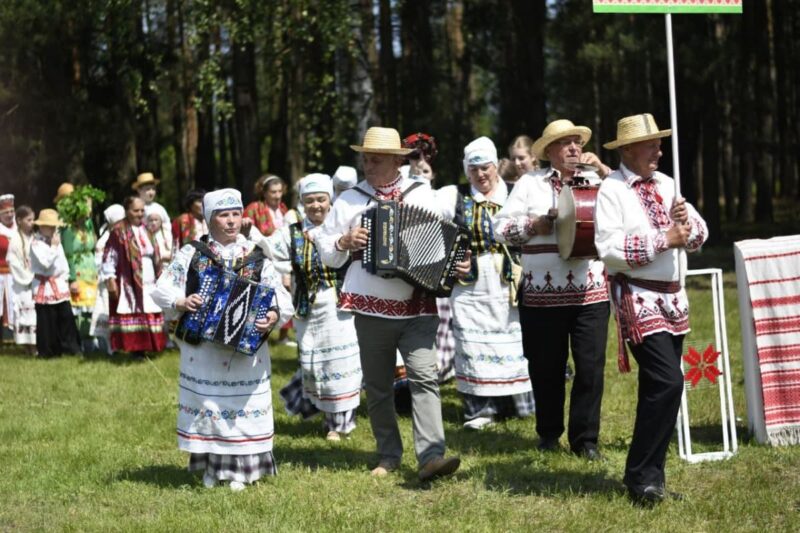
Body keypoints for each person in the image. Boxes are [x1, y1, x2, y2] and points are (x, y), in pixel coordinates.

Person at [317, 126, 463, 481]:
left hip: (417, 304)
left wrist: (458, 263)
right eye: (365, 158)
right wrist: (344, 241)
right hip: (370, 304)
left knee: (425, 376)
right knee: (379, 384)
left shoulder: (421, 194)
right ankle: (388, 455)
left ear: (398, 160)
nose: (368, 164)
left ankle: (431, 456)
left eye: (376, 159)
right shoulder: (350, 199)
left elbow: (443, 245)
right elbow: (324, 249)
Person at [595, 113, 708, 505]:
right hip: (638, 296)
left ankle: (648, 479)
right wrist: (664, 238)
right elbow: (608, 250)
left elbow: (699, 235)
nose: (659, 149)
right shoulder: (611, 189)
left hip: (673, 298)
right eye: (651, 144)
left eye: (660, 143)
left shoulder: (667, 184)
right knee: (668, 382)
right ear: (627, 150)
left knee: (658, 389)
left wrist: (686, 226)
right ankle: (642, 474)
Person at [152, 188, 292, 491]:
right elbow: (161, 288)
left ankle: (244, 471)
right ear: (209, 218)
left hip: (246, 354)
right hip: (203, 350)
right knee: (210, 408)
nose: (231, 221)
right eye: (223, 215)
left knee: (242, 409)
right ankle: (213, 469)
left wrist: (272, 315)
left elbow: (280, 298)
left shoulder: (256, 255)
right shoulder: (193, 253)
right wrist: (181, 301)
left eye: (235, 214)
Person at [493, 119, 611, 460]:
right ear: (550, 151)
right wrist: (536, 224)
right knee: (546, 367)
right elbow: (499, 228)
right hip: (541, 295)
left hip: (590, 291)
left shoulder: (598, 180)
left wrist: (603, 169)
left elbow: (628, 201)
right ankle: (548, 434)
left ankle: (585, 441)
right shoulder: (530, 184)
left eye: (578, 142)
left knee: (589, 368)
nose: (574, 148)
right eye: (566, 143)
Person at [438, 137, 533, 430]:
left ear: (496, 166)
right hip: (471, 285)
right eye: (474, 169)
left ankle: (518, 404)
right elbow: (428, 231)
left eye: (486, 167)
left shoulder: (516, 193)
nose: (481, 174)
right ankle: (480, 410)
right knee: (471, 341)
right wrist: (452, 261)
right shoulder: (454, 197)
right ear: (467, 171)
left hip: (509, 282)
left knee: (514, 339)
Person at [268, 174, 362, 441]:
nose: (316, 205)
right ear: (301, 203)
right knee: (313, 364)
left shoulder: (344, 227)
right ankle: (323, 413)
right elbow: (268, 251)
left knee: (340, 363)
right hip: (307, 307)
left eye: (321, 199)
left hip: (340, 307)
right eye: (310, 201)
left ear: (330, 200)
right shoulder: (293, 232)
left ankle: (341, 424)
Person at [402, 132, 455, 383]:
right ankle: (402, 377)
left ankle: (435, 371)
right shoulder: (400, 183)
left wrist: (422, 177)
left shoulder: (443, 194)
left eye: (425, 160)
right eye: (413, 155)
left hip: (432, 263)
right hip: (404, 262)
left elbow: (440, 213)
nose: (419, 164)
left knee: (433, 320)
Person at [102, 196, 168, 359]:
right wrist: (110, 278)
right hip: (129, 279)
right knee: (133, 309)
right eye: (135, 210)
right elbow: (110, 255)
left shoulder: (147, 229)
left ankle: (151, 345)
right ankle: (137, 348)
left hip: (149, 277)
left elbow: (155, 254)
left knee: (149, 308)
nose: (139, 214)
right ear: (127, 211)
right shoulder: (118, 230)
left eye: (142, 210)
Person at [29, 209, 81, 357]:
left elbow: (62, 262)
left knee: (66, 317)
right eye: (49, 226)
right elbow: (45, 263)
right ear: (41, 226)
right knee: (47, 320)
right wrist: (53, 247)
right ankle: (48, 351)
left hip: (58, 283)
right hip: (44, 286)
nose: (52, 229)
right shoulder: (36, 244)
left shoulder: (55, 241)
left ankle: (71, 348)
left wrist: (65, 278)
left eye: (54, 226)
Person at [58, 186, 100, 350]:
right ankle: (78, 341)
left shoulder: (89, 225)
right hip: (77, 269)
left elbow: (93, 245)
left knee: (91, 307)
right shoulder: (68, 229)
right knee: (78, 308)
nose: (88, 210)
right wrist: (72, 279)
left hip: (91, 269)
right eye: (85, 206)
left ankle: (91, 338)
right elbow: (68, 254)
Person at [90, 204, 125, 355]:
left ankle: (121, 344)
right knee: (107, 311)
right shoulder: (105, 238)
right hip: (108, 282)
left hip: (122, 281)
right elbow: (101, 262)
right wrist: (109, 279)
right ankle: (110, 347)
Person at [7, 205, 37, 353]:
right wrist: (29, 276)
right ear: (19, 221)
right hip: (23, 283)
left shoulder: (34, 237)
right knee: (26, 314)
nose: (32, 222)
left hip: (35, 281)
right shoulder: (15, 240)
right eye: (29, 219)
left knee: (34, 314)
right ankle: (28, 346)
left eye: (33, 219)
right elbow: (14, 263)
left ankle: (35, 345)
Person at [133, 172, 173, 258]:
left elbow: (167, 228)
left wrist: (169, 247)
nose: (151, 192)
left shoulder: (160, 208)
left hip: (161, 247)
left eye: (153, 189)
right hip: (142, 246)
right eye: (147, 189)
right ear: (139, 190)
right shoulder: (134, 208)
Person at [0, 194, 17, 338]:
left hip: (16, 275)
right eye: (6, 213)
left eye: (12, 211)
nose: (10, 215)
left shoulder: (19, 229)